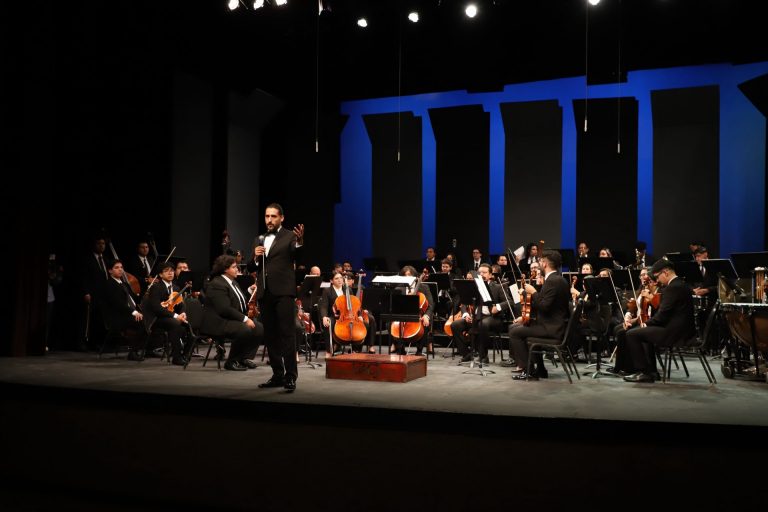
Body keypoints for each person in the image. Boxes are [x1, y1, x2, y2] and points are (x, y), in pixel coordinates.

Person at [248, 203, 304, 392]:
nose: (269, 220)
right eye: (267, 216)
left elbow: (297, 255)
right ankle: (277, 374)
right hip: (265, 292)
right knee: (270, 335)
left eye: (273, 216)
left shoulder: (290, 236)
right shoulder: (259, 238)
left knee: (287, 334)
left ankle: (291, 376)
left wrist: (300, 242)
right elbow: (251, 267)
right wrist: (255, 258)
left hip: (284, 292)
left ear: (282, 218)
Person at [622, 259, 696, 383]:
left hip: (675, 333)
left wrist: (645, 323)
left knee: (632, 334)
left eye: (657, 276)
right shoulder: (682, 284)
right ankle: (652, 372)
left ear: (665, 272)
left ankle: (644, 372)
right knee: (643, 333)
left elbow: (662, 315)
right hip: (682, 330)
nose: (657, 280)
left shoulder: (673, 287)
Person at [508, 250, 571, 380]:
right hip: (552, 324)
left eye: (541, 261)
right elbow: (546, 306)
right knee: (515, 327)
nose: (539, 264)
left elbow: (544, 306)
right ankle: (540, 369)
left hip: (551, 328)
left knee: (515, 332)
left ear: (545, 264)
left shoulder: (552, 281)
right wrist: (526, 318)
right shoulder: (558, 279)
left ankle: (529, 370)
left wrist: (533, 292)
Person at [202, 254, 263, 371]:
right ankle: (231, 361)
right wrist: (245, 319)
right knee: (244, 329)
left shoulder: (233, 282)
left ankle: (243, 358)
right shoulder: (217, 284)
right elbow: (224, 309)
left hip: (228, 319)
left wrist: (250, 291)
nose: (237, 269)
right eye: (234, 267)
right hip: (217, 322)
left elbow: (239, 301)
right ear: (225, 269)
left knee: (259, 328)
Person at [143, 262, 191, 365]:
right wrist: (175, 316)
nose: (170, 273)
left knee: (191, 325)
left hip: (170, 317)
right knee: (175, 324)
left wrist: (182, 313)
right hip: (157, 319)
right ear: (160, 275)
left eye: (172, 271)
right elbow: (157, 308)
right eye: (166, 271)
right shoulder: (156, 287)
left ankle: (185, 354)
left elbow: (181, 304)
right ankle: (176, 357)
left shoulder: (176, 288)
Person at [101, 259, 146, 361]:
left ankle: (147, 350)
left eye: (121, 267)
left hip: (127, 314)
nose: (120, 270)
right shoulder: (109, 284)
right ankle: (133, 352)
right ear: (110, 271)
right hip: (117, 317)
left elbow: (134, 298)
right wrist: (134, 312)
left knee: (148, 320)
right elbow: (118, 303)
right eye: (116, 268)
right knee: (142, 323)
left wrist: (146, 294)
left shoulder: (125, 284)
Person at [390, 265, 434, 356]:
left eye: (409, 275)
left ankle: (419, 350)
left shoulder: (424, 287)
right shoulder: (398, 288)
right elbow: (395, 306)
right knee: (390, 322)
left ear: (415, 276)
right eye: (405, 275)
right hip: (403, 315)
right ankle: (400, 349)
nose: (407, 277)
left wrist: (426, 315)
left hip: (419, 315)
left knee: (425, 322)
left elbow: (430, 305)